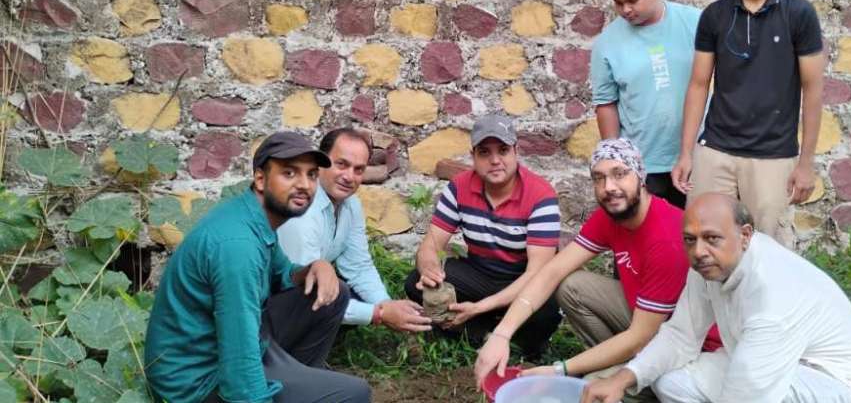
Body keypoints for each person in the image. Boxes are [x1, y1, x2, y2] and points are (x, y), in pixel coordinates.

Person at [583, 192, 851, 403]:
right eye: (690, 240)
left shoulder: (772, 289)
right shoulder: (708, 267)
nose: (699, 251)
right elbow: (680, 336)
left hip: (848, 389)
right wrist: (622, 379)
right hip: (774, 368)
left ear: (745, 235)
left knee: (754, 387)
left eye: (712, 238)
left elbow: (748, 390)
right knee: (671, 382)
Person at [475, 138, 721, 400]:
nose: (609, 187)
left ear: (640, 176)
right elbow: (552, 271)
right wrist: (502, 334)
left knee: (591, 388)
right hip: (649, 321)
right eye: (599, 178)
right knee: (572, 287)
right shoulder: (610, 217)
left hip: (692, 347)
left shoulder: (666, 237)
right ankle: (615, 364)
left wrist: (560, 370)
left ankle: (633, 378)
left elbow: (640, 336)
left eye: (619, 174)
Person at [145, 131, 371, 403]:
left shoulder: (255, 215)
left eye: (311, 174)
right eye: (289, 173)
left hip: (233, 346)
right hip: (197, 382)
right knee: (353, 394)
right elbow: (238, 353)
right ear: (261, 179)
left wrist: (316, 266)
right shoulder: (238, 246)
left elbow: (282, 274)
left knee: (334, 294)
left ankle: (299, 383)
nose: (304, 185)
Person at [672, 0, 825, 247]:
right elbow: (698, 84)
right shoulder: (715, 15)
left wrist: (806, 164)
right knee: (704, 242)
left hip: (772, 155)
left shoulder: (799, 14)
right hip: (716, 150)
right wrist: (686, 153)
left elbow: (813, 90)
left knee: (768, 249)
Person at [403, 114, 562, 358]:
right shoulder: (459, 187)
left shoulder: (541, 195)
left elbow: (536, 274)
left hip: (522, 280)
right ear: (473, 156)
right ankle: (483, 335)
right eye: (485, 152)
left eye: (503, 150)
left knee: (546, 310)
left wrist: (479, 307)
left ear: (516, 152)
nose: (495, 160)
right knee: (416, 283)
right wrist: (429, 269)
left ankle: (520, 348)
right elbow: (430, 247)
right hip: (480, 274)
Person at [278, 128, 432, 334]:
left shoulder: (351, 205)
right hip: (274, 302)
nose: (349, 177)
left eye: (358, 169)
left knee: (356, 295)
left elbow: (358, 266)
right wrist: (379, 314)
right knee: (342, 294)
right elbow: (306, 289)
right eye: (341, 164)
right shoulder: (301, 209)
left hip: (306, 293)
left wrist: (386, 305)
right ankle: (288, 351)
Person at [591, 0, 702, 208]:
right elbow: (606, 103)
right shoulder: (607, 43)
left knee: (699, 227)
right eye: (618, 3)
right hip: (642, 162)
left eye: (633, 1)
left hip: (697, 157)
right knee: (648, 229)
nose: (625, 10)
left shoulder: (696, 22)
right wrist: (616, 160)